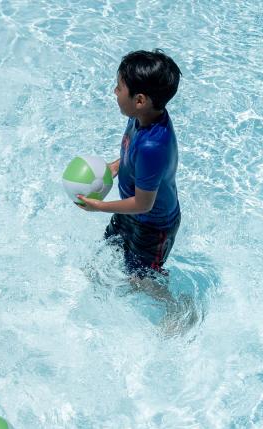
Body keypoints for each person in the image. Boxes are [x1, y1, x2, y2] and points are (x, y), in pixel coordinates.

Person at [76, 49, 182, 279]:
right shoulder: (141, 117)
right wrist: (114, 168)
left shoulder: (152, 146)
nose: (115, 91)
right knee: (111, 247)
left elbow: (144, 204)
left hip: (153, 227)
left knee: (141, 279)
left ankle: (179, 309)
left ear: (140, 100)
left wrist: (99, 207)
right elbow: (130, 158)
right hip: (131, 212)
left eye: (119, 88)